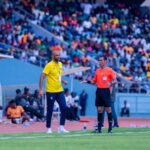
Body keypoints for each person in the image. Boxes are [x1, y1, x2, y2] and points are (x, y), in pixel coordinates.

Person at [82, 56, 116, 133]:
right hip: (99, 91)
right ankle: (99, 129)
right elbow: (94, 81)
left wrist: (110, 83)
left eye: (101, 60)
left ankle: (110, 128)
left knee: (108, 109)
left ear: (105, 61)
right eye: (99, 60)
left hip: (106, 91)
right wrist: (87, 81)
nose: (99, 62)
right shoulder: (97, 71)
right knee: (99, 110)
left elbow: (115, 80)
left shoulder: (110, 70)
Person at [39, 50, 69, 134]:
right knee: (50, 110)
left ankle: (61, 127)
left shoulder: (60, 64)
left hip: (60, 90)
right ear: (52, 56)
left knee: (64, 107)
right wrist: (40, 89)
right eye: (56, 55)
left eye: (59, 55)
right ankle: (48, 128)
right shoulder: (48, 65)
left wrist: (63, 81)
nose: (58, 57)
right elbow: (42, 77)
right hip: (51, 91)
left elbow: (58, 76)